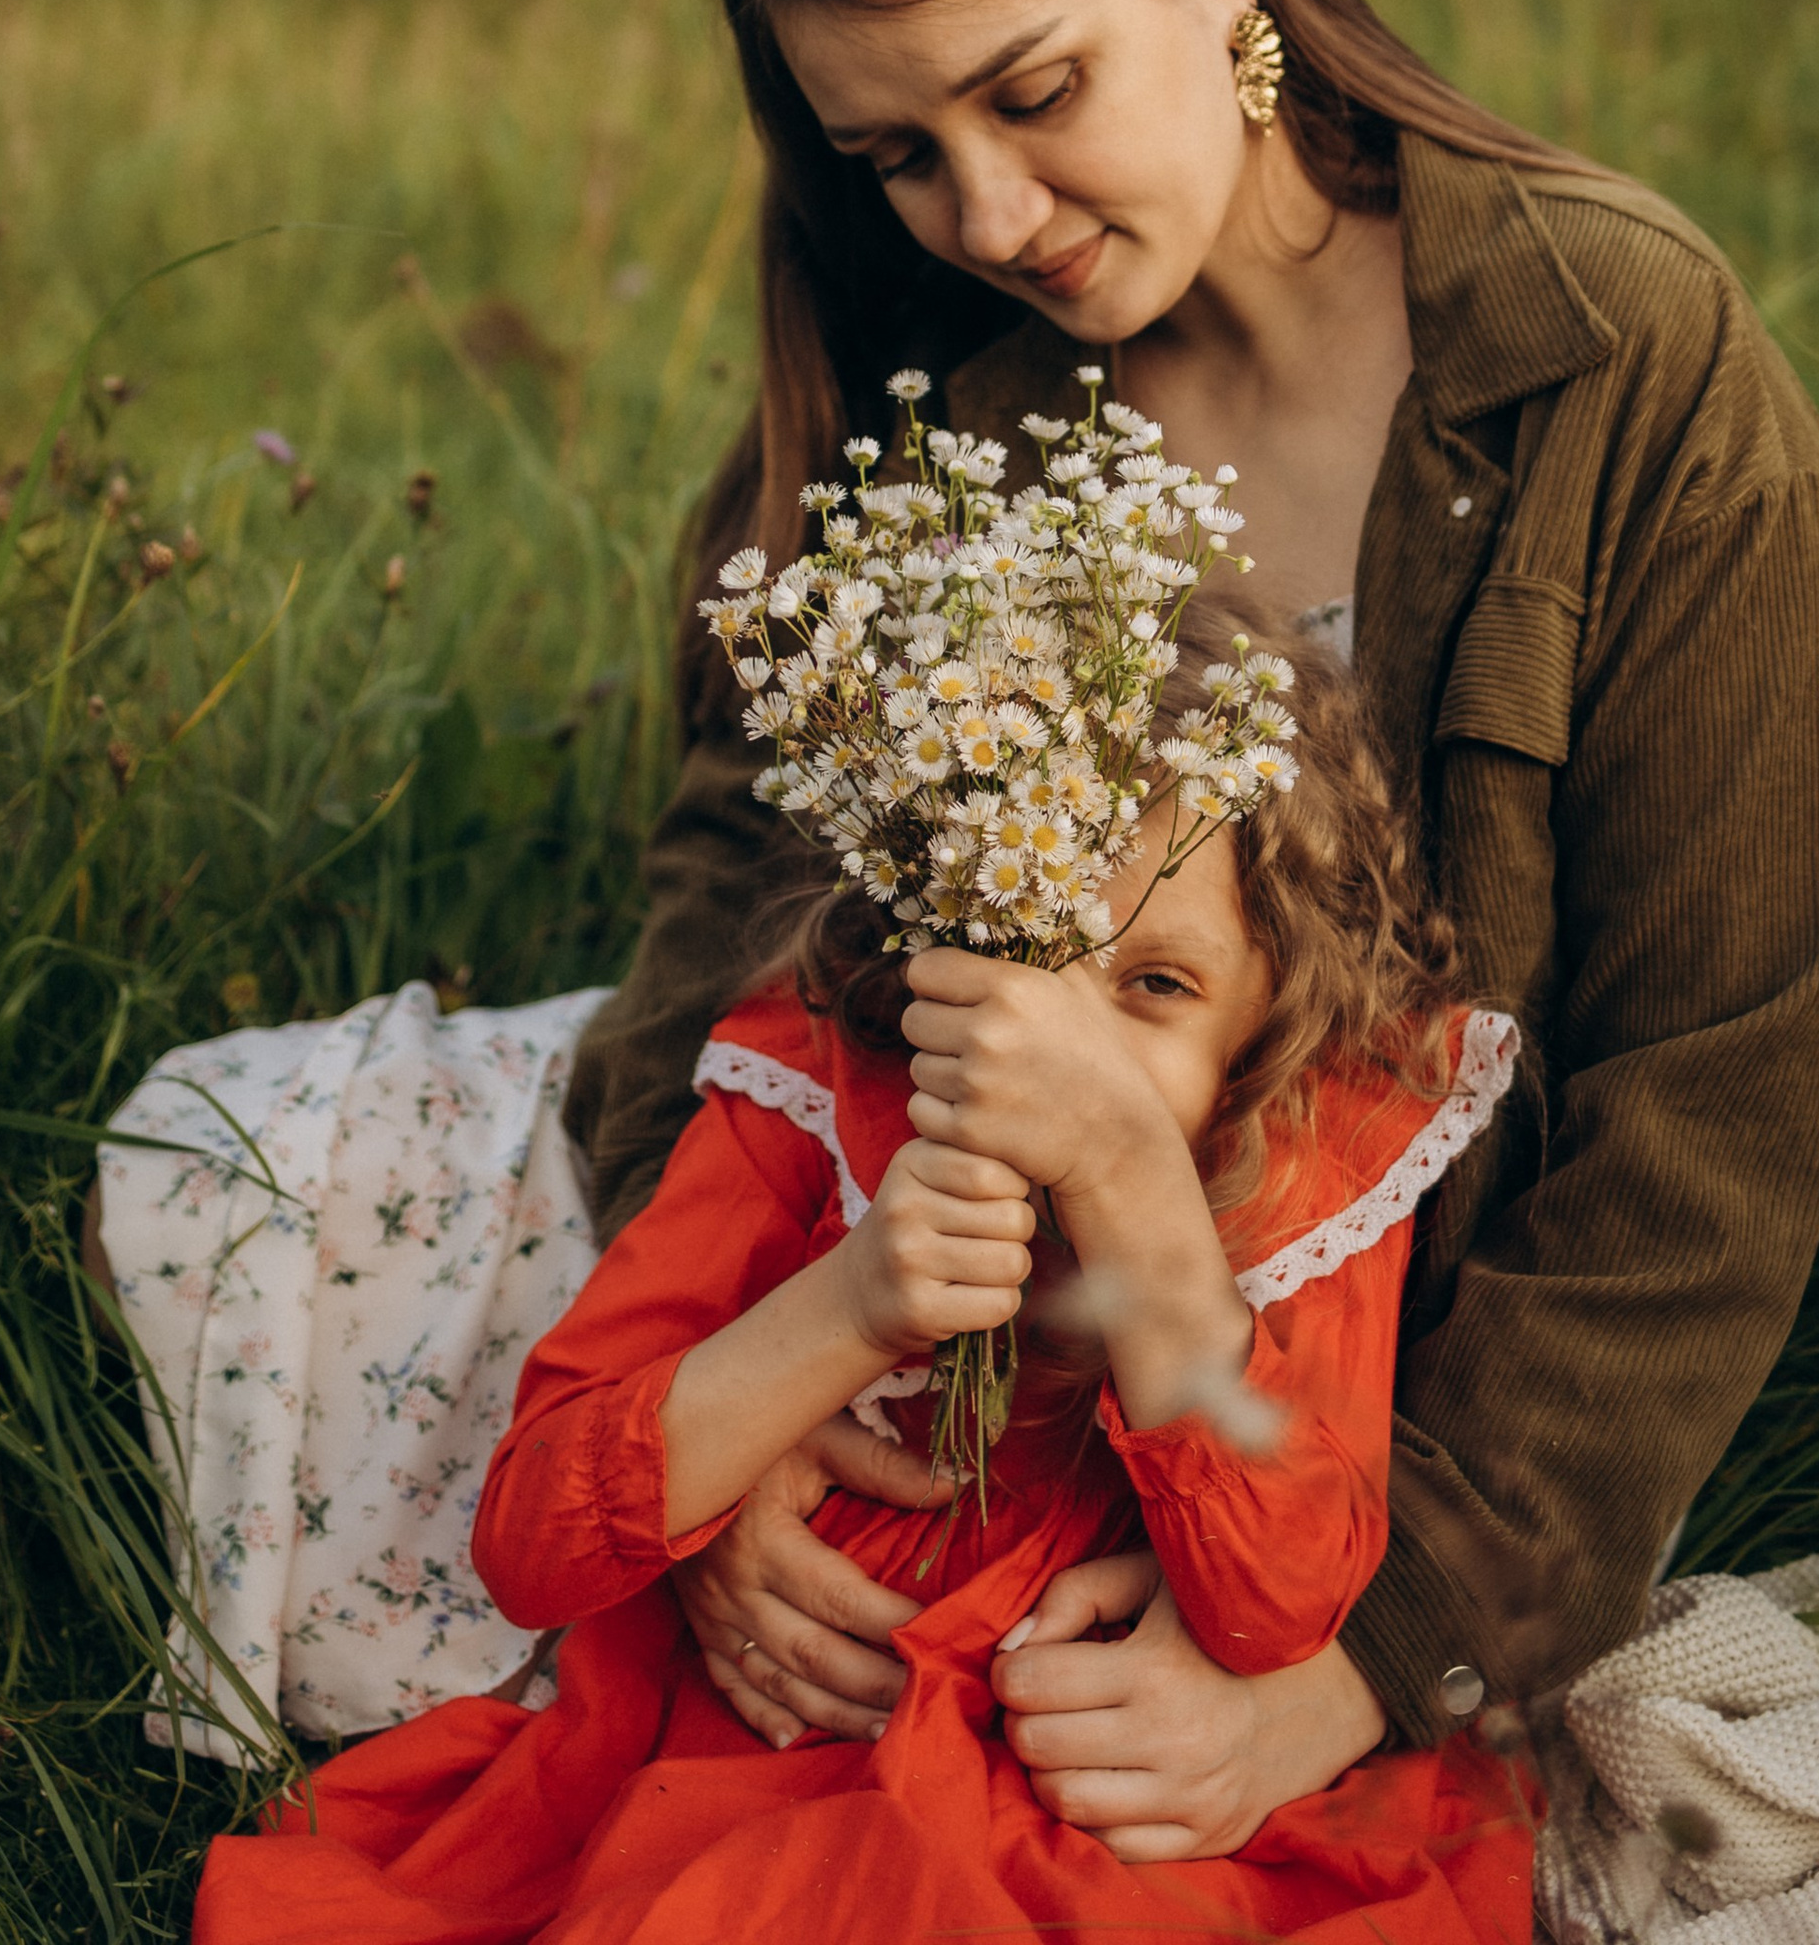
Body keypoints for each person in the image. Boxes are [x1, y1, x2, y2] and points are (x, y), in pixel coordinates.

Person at [559, 0, 1819, 1847]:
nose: (983, 218)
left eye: (1032, 90)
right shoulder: (956, 411)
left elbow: (1711, 1124)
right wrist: (734, 1421)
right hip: (938, 1356)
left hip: (1359, 1431)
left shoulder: (1612, 365)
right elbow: (728, 907)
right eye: (893, 154)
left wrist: (1362, 1669)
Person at [192, 606, 1535, 1945]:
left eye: (1155, 986)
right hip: (774, 1745)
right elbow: (533, 1543)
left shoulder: (1298, 1166)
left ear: (1264, 1015)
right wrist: (846, 1309)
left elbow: (1278, 1605)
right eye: (1023, 951)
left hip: (1091, 1787)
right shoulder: (818, 1098)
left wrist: (1135, 1192)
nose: (1058, 1043)